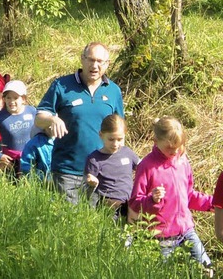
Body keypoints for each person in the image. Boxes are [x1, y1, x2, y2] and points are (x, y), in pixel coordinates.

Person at [35, 42, 123, 204]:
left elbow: (120, 130)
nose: (94, 66)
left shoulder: (113, 91)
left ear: (107, 64)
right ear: (82, 59)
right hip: (68, 171)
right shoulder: (61, 85)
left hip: (101, 172)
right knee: (68, 223)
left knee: (96, 225)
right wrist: (52, 119)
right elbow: (39, 118)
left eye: (100, 61)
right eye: (90, 60)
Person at [129, 116, 213, 269]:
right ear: (156, 141)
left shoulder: (182, 161)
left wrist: (212, 203)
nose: (174, 151)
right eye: (169, 148)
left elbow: (189, 196)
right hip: (161, 237)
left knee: (206, 268)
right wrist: (151, 200)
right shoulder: (147, 166)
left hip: (186, 230)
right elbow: (135, 202)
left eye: (178, 147)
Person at [85, 114, 139, 219]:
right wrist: (91, 181)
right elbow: (88, 181)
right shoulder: (95, 158)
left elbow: (142, 168)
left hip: (129, 203)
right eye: (111, 139)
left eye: (119, 139)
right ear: (101, 135)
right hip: (108, 205)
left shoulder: (127, 153)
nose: (115, 144)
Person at [0, 80, 36, 175]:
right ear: (4, 99)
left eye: (16, 98)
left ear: (23, 99)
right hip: (9, 161)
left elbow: (42, 131)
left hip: (30, 157)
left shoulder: (32, 111)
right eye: (8, 98)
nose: (12, 102)